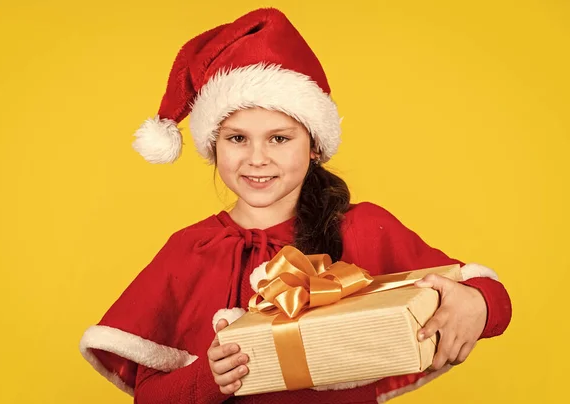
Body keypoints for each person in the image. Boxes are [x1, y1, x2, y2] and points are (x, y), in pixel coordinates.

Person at [79, 7, 512, 404]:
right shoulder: (190, 249)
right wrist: (210, 380)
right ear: (213, 146)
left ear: (315, 147)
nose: (257, 158)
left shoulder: (360, 227)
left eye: (280, 138)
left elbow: (492, 297)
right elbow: (150, 397)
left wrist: (478, 303)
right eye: (237, 138)